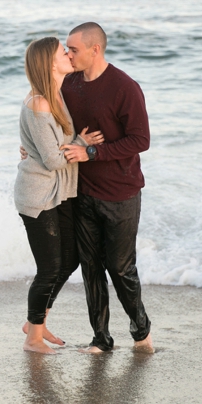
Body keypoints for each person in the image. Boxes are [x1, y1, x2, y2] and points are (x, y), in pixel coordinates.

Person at [60, 22, 154, 354]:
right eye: (67, 49)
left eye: (73, 49)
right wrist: (34, 146)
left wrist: (92, 152)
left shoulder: (124, 87)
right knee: (91, 266)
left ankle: (141, 332)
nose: (68, 54)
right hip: (83, 192)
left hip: (121, 193)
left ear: (94, 49)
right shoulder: (69, 84)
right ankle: (101, 338)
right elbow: (54, 124)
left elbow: (141, 140)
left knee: (120, 266)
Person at [14, 36, 103, 354]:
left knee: (70, 259)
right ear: (49, 64)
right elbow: (52, 159)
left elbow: (38, 142)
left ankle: (35, 321)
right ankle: (32, 339)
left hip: (59, 193)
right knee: (50, 267)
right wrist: (80, 141)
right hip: (38, 196)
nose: (68, 54)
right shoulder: (39, 102)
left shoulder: (56, 93)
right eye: (61, 52)